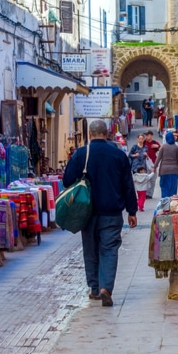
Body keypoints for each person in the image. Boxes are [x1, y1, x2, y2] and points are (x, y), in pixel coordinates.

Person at [62, 120, 138, 307]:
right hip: (112, 212)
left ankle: (94, 289)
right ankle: (106, 288)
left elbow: (66, 180)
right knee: (109, 249)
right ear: (108, 134)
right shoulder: (119, 155)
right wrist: (132, 211)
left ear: (90, 135)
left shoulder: (81, 154)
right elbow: (128, 185)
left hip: (86, 213)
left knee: (90, 249)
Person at [154, 130, 178, 198]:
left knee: (164, 187)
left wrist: (154, 167)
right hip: (174, 170)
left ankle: (165, 204)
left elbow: (158, 158)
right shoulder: (176, 147)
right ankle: (172, 204)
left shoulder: (163, 147)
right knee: (173, 189)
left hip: (164, 171)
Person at [129, 133, 151, 211]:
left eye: (142, 138)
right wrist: (135, 155)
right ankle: (137, 200)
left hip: (143, 167)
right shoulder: (134, 147)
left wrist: (146, 155)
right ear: (137, 139)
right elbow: (129, 155)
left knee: (143, 182)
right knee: (136, 183)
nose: (141, 140)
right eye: (140, 138)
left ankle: (141, 202)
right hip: (135, 167)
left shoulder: (146, 147)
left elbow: (147, 156)